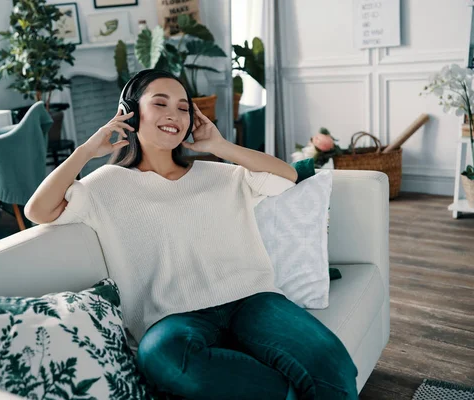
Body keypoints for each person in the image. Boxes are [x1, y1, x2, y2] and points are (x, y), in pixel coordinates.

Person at [24, 69, 358, 400]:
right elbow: (37, 211)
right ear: (129, 112)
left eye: (183, 107)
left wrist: (219, 145)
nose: (174, 115)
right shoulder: (105, 185)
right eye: (160, 103)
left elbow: (287, 177)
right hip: (173, 318)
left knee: (332, 362)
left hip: (251, 300)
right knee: (162, 357)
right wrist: (85, 151)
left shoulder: (220, 174)